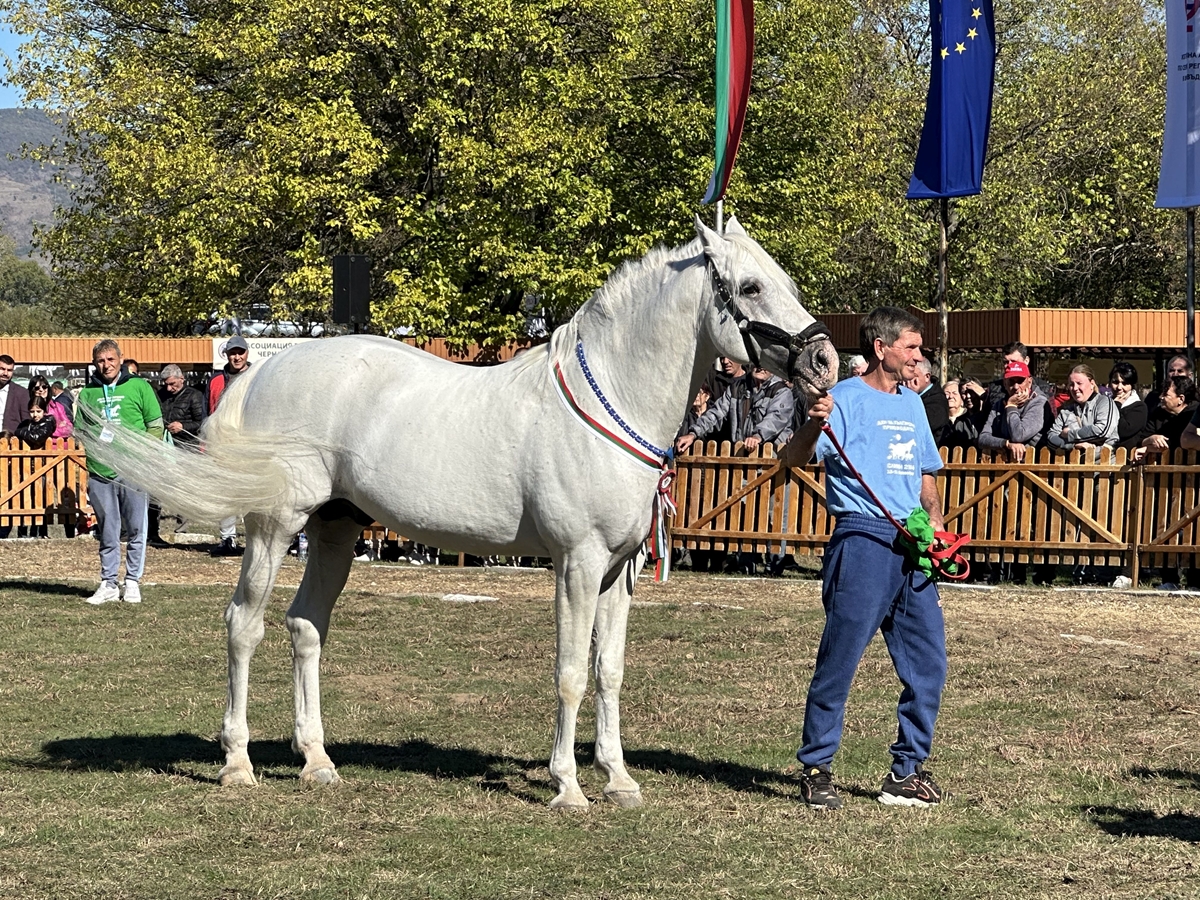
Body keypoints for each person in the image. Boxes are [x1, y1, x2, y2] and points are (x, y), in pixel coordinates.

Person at [780, 306, 949, 810]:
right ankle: (816, 768)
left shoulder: (914, 404)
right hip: (862, 538)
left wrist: (935, 524)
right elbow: (792, 459)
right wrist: (814, 425)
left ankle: (905, 773)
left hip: (911, 544)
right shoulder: (842, 400)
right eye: (912, 347)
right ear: (882, 348)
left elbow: (926, 473)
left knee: (929, 662)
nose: (919, 356)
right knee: (841, 658)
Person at [75, 339, 164, 604]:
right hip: (101, 471)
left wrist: (144, 456)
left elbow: (155, 426)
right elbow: (81, 430)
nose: (106, 365)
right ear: (94, 363)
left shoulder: (139, 387)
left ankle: (133, 581)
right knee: (108, 529)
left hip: (133, 469)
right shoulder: (89, 393)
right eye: (101, 361)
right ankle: (109, 583)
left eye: (111, 359)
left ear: (120, 359)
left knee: (137, 527)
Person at [676, 365, 794, 455]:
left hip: (772, 461)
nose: (760, 366)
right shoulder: (735, 388)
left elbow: (776, 418)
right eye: (756, 361)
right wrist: (693, 434)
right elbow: (716, 413)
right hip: (742, 459)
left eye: (765, 363)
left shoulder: (782, 391)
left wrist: (758, 436)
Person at [208, 336, 252, 554]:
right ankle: (227, 538)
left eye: (240, 352)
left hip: (250, 443)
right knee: (225, 493)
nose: (236, 357)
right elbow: (210, 412)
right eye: (232, 353)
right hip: (223, 445)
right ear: (226, 355)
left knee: (253, 493)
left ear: (247, 353)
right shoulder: (216, 381)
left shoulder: (257, 375)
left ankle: (256, 539)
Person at [976, 360, 1053, 462]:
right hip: (1003, 464)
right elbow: (982, 438)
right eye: (1011, 381)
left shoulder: (1039, 403)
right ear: (1005, 383)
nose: (1016, 387)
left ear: (1029, 382)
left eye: (1020, 381)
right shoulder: (999, 404)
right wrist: (1006, 443)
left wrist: (1011, 406)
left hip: (1034, 465)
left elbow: (1018, 435)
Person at [1046, 365, 1119, 454]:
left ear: (1092, 384)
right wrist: (1072, 445)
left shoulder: (1104, 402)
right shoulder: (1066, 410)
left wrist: (1069, 434)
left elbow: (1102, 431)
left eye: (1079, 383)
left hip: (1103, 463)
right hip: (1073, 465)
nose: (1075, 388)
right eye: (1072, 384)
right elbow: (1051, 437)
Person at [1133, 375, 1198, 462]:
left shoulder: (1194, 413)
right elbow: (1141, 441)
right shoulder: (1158, 414)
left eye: (1166, 394)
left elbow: (1179, 442)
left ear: (1181, 399)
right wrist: (1151, 439)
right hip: (1162, 471)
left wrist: (1148, 448)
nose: (1160, 397)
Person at [905, 358, 949, 444]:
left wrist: (912, 396)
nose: (908, 380)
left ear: (927, 377)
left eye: (914, 376)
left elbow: (915, 427)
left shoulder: (938, 402)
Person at [1108, 363, 1147, 452]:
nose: (1119, 387)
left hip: (1128, 460)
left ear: (1132, 385)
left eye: (1124, 383)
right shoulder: (1105, 404)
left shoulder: (1139, 407)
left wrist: (1116, 406)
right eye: (1115, 382)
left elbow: (1124, 431)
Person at [28, 375, 73, 439]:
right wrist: (58, 426)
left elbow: (69, 428)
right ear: (32, 390)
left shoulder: (57, 406)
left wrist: (47, 431)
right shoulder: (28, 406)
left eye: (44, 387)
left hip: (59, 446)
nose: (41, 390)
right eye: (37, 388)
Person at [941, 380, 979, 450]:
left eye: (955, 393)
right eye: (947, 393)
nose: (950, 396)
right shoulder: (938, 419)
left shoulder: (968, 418)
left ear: (961, 398)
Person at [0, 354, 30, 436]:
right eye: (2, 369)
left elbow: (26, 421)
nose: (5, 373)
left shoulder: (22, 393)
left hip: (11, 441)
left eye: (9, 370)